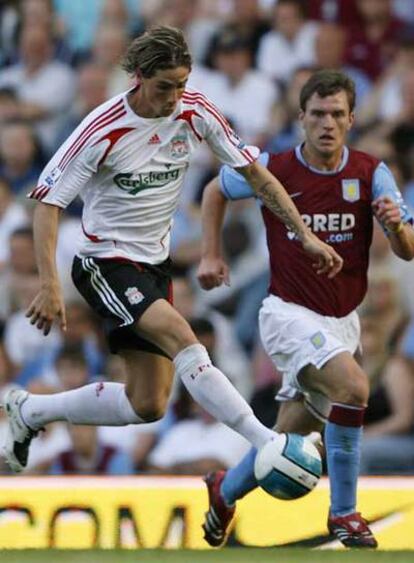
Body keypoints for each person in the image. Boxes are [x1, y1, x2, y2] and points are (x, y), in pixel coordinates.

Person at [2, 27, 341, 477]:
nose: (174, 97)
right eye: (165, 86)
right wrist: (49, 284)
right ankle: (268, 442)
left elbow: (256, 175)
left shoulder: (195, 112)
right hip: (105, 262)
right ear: (138, 78)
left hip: (153, 265)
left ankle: (30, 412)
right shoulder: (102, 129)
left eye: (182, 84)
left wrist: (305, 235)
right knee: (187, 340)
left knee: (147, 404)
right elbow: (46, 203)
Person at [197, 69, 414, 549]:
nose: (327, 124)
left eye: (337, 114)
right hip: (288, 313)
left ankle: (224, 490)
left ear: (352, 119)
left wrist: (397, 228)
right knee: (354, 388)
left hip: (343, 324)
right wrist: (212, 253)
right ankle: (345, 513)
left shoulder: (370, 172)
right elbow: (215, 189)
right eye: (318, 114)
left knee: (288, 439)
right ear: (301, 118)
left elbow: (408, 250)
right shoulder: (275, 168)